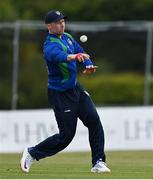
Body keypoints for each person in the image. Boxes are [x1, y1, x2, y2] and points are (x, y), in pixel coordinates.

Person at [20, 10, 111, 173]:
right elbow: (59, 56)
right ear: (49, 26)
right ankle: (32, 153)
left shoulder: (67, 37)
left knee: (94, 121)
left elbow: (81, 51)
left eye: (63, 21)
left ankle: (98, 161)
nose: (62, 24)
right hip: (60, 93)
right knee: (66, 137)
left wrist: (88, 64)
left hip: (75, 88)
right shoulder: (49, 44)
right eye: (57, 22)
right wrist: (74, 57)